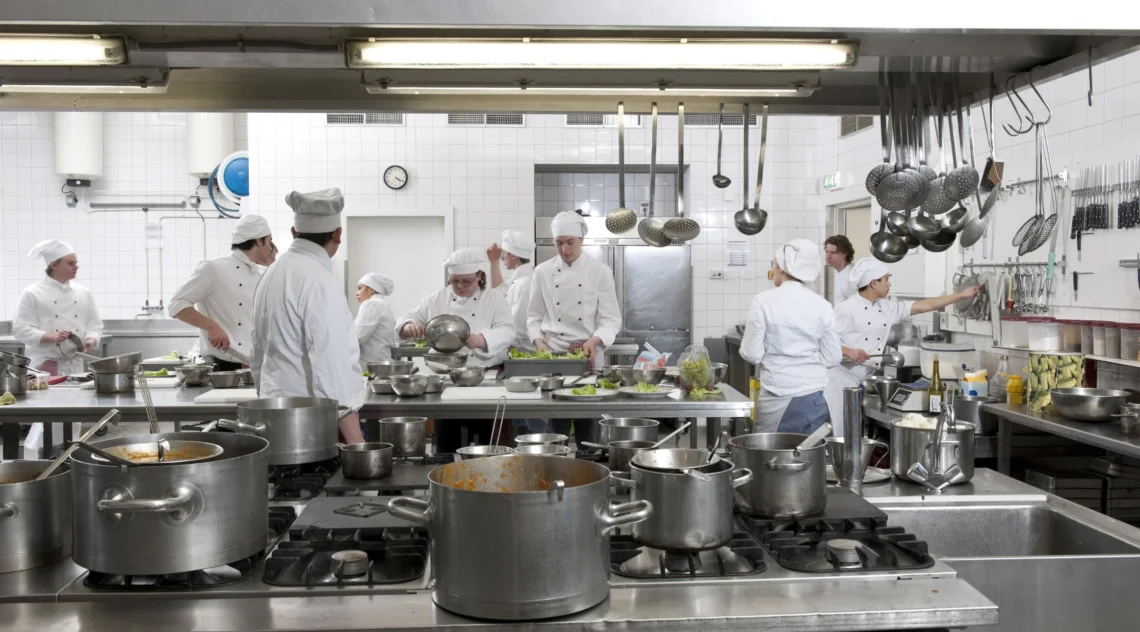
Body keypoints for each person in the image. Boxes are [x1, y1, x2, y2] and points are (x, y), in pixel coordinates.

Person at [252, 188, 366, 444]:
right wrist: (355, 441)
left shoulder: (271, 273)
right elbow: (330, 364)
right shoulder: (318, 280)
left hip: (275, 413)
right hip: (313, 422)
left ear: (294, 232)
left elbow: (257, 351)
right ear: (338, 234)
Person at [824, 258, 981, 434]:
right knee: (839, 434)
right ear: (873, 283)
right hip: (838, 381)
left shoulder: (886, 307)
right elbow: (823, 341)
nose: (889, 284)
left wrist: (961, 295)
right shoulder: (846, 309)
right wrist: (849, 352)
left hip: (857, 382)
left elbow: (923, 306)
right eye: (886, 279)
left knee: (849, 435)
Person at [396, 248, 516, 452]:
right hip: (446, 378)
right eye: (454, 281)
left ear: (479, 276)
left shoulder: (494, 299)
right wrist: (409, 327)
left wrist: (482, 339)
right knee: (447, 438)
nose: (460, 286)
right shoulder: (436, 298)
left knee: (486, 440)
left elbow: (508, 330)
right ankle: (446, 466)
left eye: (466, 281)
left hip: (484, 377)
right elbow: (407, 318)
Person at [527, 211, 622, 446]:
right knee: (555, 424)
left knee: (588, 424)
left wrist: (595, 340)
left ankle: (589, 462)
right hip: (554, 355)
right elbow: (534, 316)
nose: (564, 249)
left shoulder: (600, 271)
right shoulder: (542, 271)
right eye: (559, 243)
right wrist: (538, 341)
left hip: (588, 354)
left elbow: (611, 319)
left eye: (570, 242)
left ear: (581, 239)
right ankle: (555, 463)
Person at [740, 239, 842, 434]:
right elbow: (833, 357)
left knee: (773, 452)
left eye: (774, 264)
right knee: (814, 451)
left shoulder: (763, 300)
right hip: (815, 398)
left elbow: (752, 353)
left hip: (778, 397)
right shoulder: (823, 305)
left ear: (780, 267)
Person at [13, 239, 103, 456]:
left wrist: (91, 339)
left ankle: (68, 459)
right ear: (54, 265)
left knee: (74, 418)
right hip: (46, 367)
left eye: (76, 263)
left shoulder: (82, 292)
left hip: (75, 366)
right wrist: (50, 337)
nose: (76, 267)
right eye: (70, 263)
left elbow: (95, 324)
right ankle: (40, 461)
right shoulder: (32, 293)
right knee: (47, 418)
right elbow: (20, 328)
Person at [168, 214, 274, 370]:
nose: (270, 247)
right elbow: (176, 305)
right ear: (259, 241)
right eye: (269, 241)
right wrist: (211, 327)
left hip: (255, 365)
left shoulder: (261, 273)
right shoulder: (213, 268)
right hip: (224, 367)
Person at [487, 229, 536, 352]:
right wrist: (493, 261)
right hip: (518, 348)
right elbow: (499, 292)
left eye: (504, 253)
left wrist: (501, 348)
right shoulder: (519, 278)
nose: (502, 257)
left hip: (523, 351)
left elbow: (517, 328)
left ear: (514, 255)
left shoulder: (523, 285)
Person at [355, 273, 396, 365]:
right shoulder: (384, 305)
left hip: (369, 366)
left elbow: (357, 337)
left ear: (372, 289)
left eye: (360, 288)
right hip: (383, 364)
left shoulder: (371, 304)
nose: (357, 293)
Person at [824, 235, 856, 306]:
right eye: (827, 251)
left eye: (833, 252)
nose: (828, 256)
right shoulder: (839, 271)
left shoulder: (852, 277)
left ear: (845, 253)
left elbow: (854, 308)